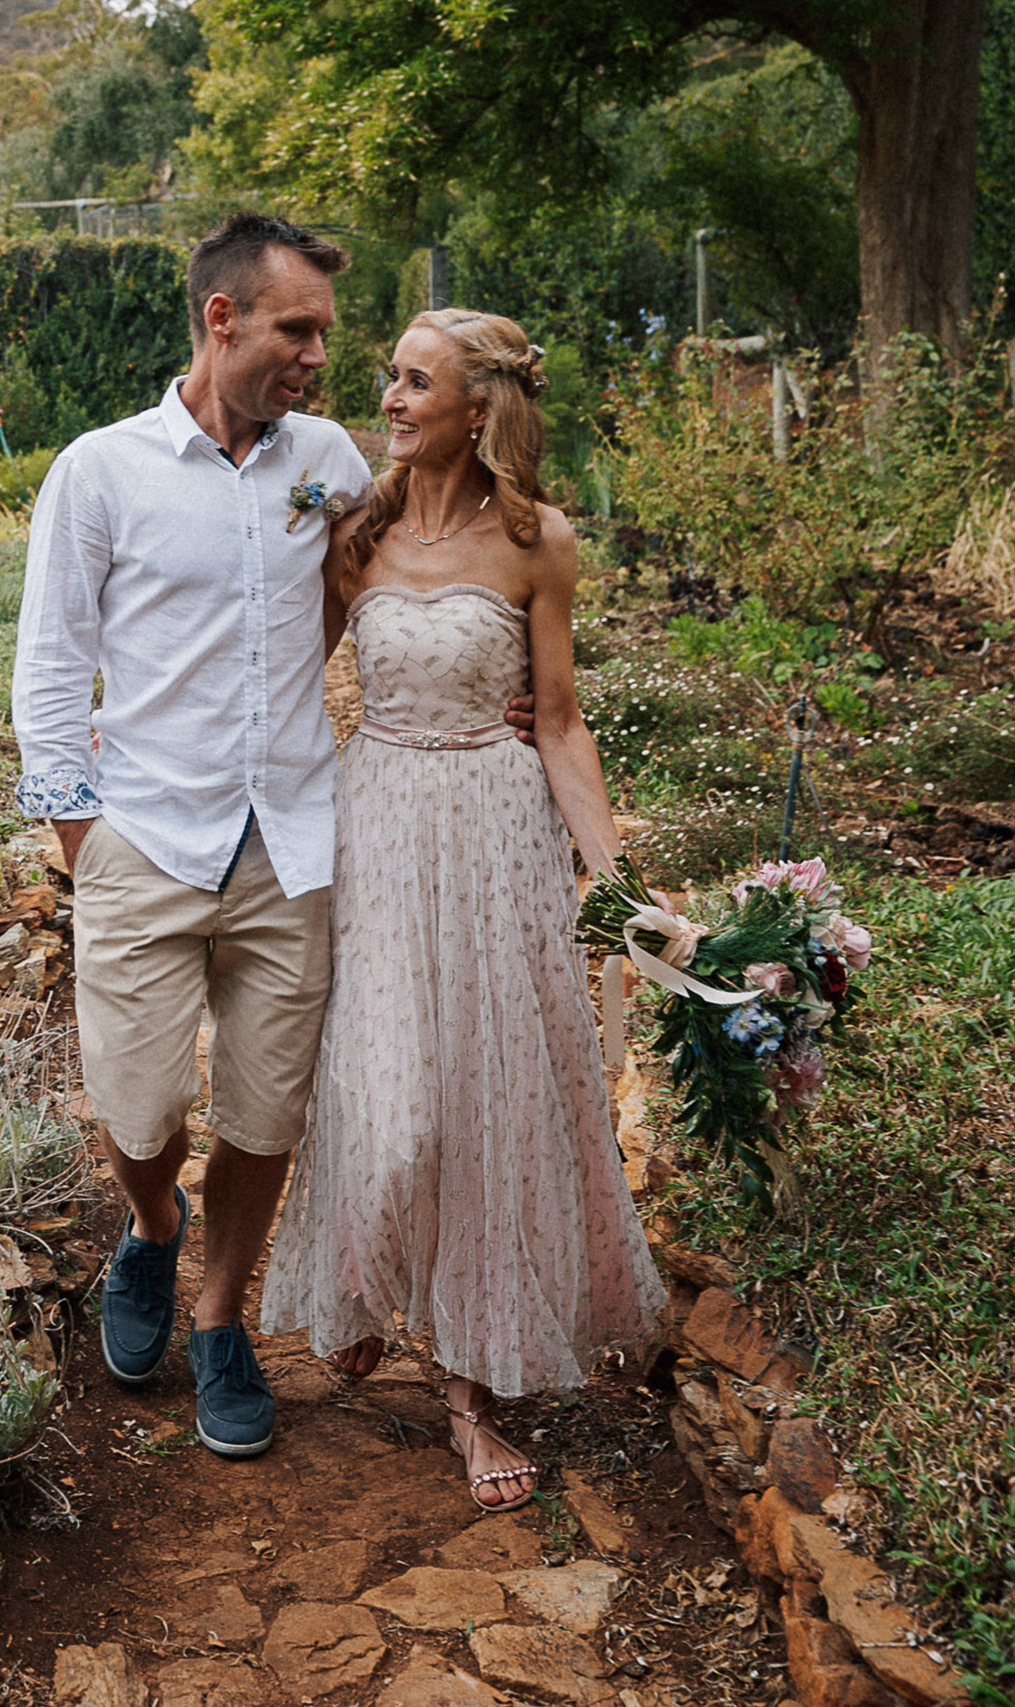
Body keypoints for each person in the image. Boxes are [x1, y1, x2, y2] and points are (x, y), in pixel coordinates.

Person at [11, 216, 533, 1457]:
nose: (317, 357)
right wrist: (86, 839)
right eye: (298, 331)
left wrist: (491, 685)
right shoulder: (100, 471)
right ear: (222, 319)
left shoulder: (335, 463)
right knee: (139, 1114)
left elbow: (430, 564)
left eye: (325, 336)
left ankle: (219, 1320)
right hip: (143, 834)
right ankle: (151, 1231)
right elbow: (46, 674)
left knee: (263, 1113)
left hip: (296, 840)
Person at [262, 308, 666, 1512]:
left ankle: (470, 1394)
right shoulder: (355, 533)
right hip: (378, 822)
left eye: (413, 381)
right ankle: (368, 1278)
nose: (386, 397)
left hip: (499, 839)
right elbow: (281, 680)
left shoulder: (538, 540)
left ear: (477, 409)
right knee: (392, 1108)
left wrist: (616, 878)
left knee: (484, 1104)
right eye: (387, 376)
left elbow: (556, 720)